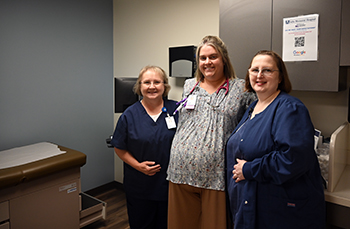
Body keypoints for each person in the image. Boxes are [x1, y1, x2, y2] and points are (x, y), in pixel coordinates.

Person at [226, 50, 326, 229]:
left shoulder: (290, 108)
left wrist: (249, 169)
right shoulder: (253, 107)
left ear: (280, 77)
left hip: (279, 211)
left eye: (268, 70)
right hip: (249, 204)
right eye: (254, 70)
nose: (259, 75)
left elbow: (293, 158)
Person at [166, 35, 256, 229]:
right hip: (179, 170)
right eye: (202, 58)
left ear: (223, 59)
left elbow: (255, 124)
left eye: (213, 57)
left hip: (215, 175)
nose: (207, 62)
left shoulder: (242, 88)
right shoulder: (190, 86)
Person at [111, 65, 178, 229]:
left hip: (169, 184)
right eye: (147, 82)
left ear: (165, 86)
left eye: (157, 82)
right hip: (140, 186)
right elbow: (119, 146)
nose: (152, 86)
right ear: (139, 86)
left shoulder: (176, 110)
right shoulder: (129, 115)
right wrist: (138, 166)